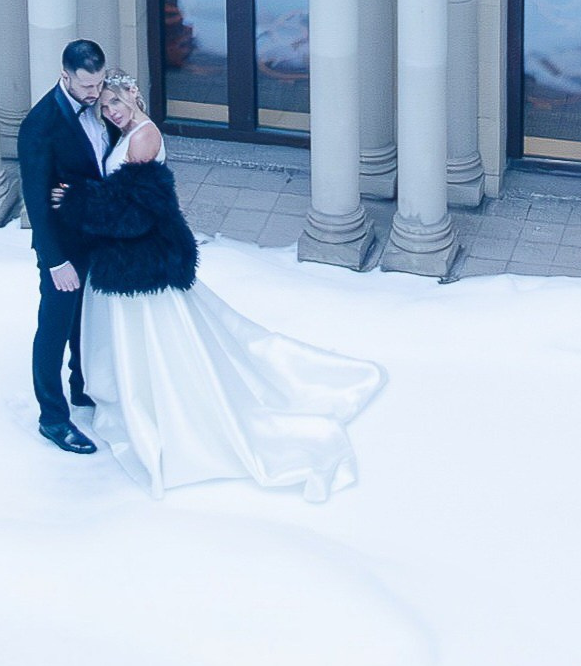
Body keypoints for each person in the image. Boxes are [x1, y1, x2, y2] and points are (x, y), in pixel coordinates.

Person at [52, 72, 385, 501]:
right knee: (150, 335)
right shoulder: (131, 132)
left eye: (116, 101)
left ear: (134, 95)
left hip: (139, 258)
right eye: (105, 107)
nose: (112, 111)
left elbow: (132, 213)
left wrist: (77, 200)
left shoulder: (142, 138)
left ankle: (161, 408)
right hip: (126, 259)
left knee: (155, 336)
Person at [16, 39, 110, 454]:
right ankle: (52, 417)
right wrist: (55, 262)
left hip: (97, 235)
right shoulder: (40, 125)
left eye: (99, 84)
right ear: (64, 76)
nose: (95, 94)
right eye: (87, 87)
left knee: (85, 318)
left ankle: (81, 386)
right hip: (63, 246)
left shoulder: (104, 104)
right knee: (54, 327)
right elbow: (37, 202)